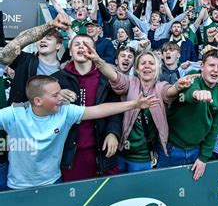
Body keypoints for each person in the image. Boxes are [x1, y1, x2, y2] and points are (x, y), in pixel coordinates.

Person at [0, 74, 159, 190]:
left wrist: (135, 104)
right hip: (17, 186)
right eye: (56, 95)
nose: (61, 98)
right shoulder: (14, 114)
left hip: (53, 182)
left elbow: (98, 110)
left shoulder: (65, 112)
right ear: (38, 101)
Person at [83, 46, 198, 173]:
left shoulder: (161, 87)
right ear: (137, 69)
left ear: (157, 68)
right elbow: (115, 77)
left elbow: (169, 92)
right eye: (143, 63)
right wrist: (98, 61)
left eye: (151, 63)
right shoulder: (130, 82)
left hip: (144, 158)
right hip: (121, 154)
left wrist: (177, 86)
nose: (147, 66)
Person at [52, 35, 123, 181]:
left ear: (94, 52)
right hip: (70, 153)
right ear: (70, 52)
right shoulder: (56, 79)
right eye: (76, 44)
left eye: (86, 44)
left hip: (102, 151)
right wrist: (55, 95)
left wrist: (113, 133)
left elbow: (116, 110)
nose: (81, 47)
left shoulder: (106, 78)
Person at [156, 50, 218, 181]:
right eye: (211, 65)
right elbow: (190, 91)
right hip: (171, 147)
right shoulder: (191, 77)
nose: (215, 70)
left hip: (196, 150)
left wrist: (204, 157)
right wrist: (197, 94)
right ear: (202, 66)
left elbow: (215, 128)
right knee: (164, 186)